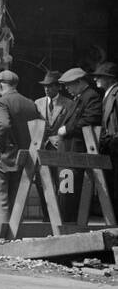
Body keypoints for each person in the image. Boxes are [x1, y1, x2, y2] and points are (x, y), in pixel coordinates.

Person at [0, 69, 37, 237]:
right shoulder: (30, 103)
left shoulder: (1, 102)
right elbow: (42, 126)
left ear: (0, 84)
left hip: (3, 156)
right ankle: (15, 236)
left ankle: (1, 239)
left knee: (0, 199)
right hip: (24, 156)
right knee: (17, 198)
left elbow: (4, 125)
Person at [56, 66, 102, 223]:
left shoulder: (91, 96)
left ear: (80, 82)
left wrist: (66, 129)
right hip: (68, 152)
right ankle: (67, 223)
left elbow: (91, 119)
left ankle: (70, 224)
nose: (67, 88)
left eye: (69, 84)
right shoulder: (80, 97)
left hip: (75, 152)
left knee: (70, 192)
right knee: (65, 191)